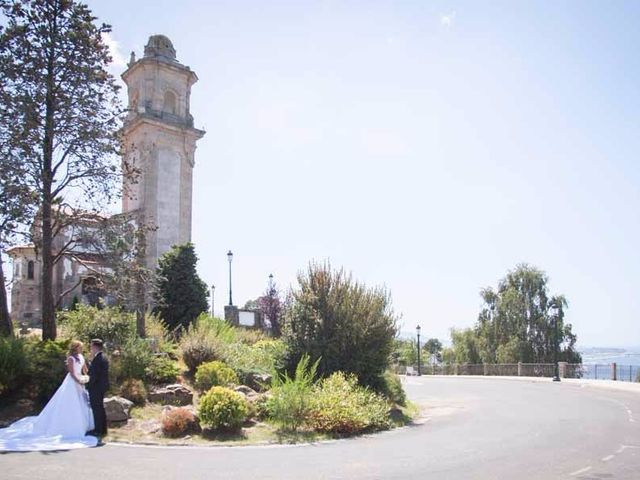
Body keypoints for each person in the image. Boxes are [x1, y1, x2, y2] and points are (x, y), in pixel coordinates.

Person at [0, 340, 98, 451]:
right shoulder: (71, 359)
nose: (81, 349)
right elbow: (72, 373)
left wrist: (88, 377)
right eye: (80, 347)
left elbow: (85, 369)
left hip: (80, 381)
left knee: (83, 401)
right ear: (75, 348)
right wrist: (78, 380)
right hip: (72, 382)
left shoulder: (81, 356)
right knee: (71, 402)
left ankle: (85, 424)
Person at [86, 338, 109, 438]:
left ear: (95, 346)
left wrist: (88, 384)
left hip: (96, 387)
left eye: (91, 346)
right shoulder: (102, 357)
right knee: (100, 408)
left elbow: (95, 375)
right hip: (101, 386)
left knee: (97, 408)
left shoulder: (99, 358)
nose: (90, 348)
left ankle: (98, 430)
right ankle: (103, 429)